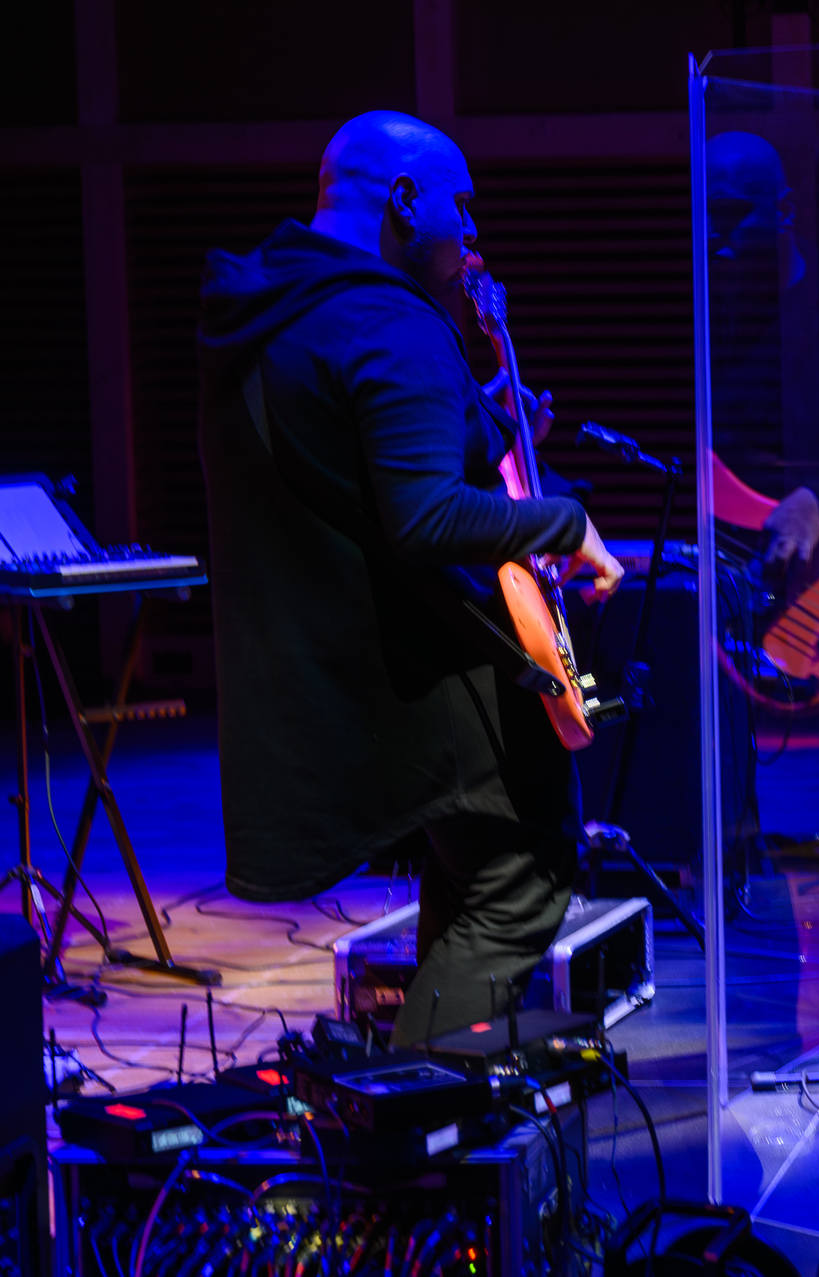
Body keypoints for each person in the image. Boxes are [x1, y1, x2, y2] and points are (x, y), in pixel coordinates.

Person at [197, 110, 625, 1047]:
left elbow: (350, 457)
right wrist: (565, 522)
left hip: (336, 680)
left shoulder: (276, 304)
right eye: (460, 206)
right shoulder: (391, 321)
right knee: (523, 872)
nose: (473, 231)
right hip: (425, 679)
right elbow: (426, 518)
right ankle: (423, 1098)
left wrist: (486, 425)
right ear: (403, 199)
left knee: (471, 875)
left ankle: (439, 1101)